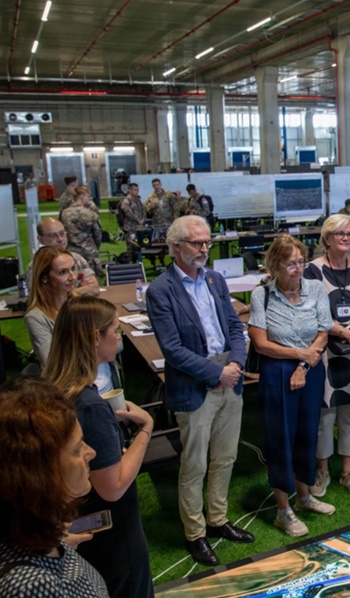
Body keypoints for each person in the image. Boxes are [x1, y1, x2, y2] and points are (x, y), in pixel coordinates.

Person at [146, 215, 255, 567]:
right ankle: (195, 533)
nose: (204, 248)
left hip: (230, 377)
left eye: (207, 242)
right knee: (194, 464)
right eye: (197, 243)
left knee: (225, 457)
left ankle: (218, 520)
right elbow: (173, 350)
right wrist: (217, 373)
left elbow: (235, 326)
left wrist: (235, 364)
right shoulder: (160, 290)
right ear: (175, 247)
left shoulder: (214, 279)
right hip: (195, 384)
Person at [43, 296, 154, 597]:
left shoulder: (55, 389)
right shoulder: (90, 405)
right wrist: (146, 429)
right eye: (115, 330)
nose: (119, 336)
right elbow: (112, 487)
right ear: (95, 337)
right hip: (114, 536)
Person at [249, 235, 334, 537]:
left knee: (307, 434)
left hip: (310, 369)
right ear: (274, 267)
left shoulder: (315, 288)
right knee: (281, 438)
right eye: (290, 264)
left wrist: (304, 366)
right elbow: (261, 344)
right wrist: (299, 356)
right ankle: (283, 510)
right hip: (277, 371)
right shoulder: (261, 295)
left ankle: (304, 495)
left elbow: (323, 332)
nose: (298, 269)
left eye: (301, 262)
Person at [0, 377, 107, 597]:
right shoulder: (31, 587)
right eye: (77, 449)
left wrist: (59, 543)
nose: (91, 453)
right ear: (38, 475)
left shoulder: (37, 537)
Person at [305, 215, 350, 498]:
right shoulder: (312, 271)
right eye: (340, 234)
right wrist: (347, 334)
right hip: (324, 355)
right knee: (324, 418)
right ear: (326, 238)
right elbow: (313, 313)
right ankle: (322, 470)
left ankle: (348, 471)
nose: (347, 238)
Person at [24, 247, 119, 396]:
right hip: (75, 390)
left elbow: (116, 344)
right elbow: (52, 363)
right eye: (63, 272)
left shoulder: (81, 303)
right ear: (44, 278)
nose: (73, 277)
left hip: (105, 380)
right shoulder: (36, 317)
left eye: (72, 269)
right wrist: (97, 345)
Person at [27, 217, 100, 296]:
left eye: (62, 233)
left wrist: (71, 293)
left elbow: (94, 289)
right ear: (40, 239)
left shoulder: (77, 258)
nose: (60, 239)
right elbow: (44, 297)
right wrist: (82, 291)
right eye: (53, 236)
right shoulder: (37, 266)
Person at [61, 186, 103, 275]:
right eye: (88, 197)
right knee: (91, 277)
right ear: (82, 197)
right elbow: (98, 232)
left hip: (71, 250)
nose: (88, 199)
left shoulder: (64, 213)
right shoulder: (89, 213)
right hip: (89, 250)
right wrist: (96, 246)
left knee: (73, 275)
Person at [119, 183, 147, 263]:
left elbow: (143, 210)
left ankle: (138, 262)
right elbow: (128, 212)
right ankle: (131, 262)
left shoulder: (138, 200)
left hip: (139, 227)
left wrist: (143, 219)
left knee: (138, 246)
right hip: (130, 227)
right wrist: (138, 220)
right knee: (131, 247)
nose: (137, 191)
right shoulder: (126, 201)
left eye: (137, 190)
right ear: (130, 190)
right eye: (135, 190)